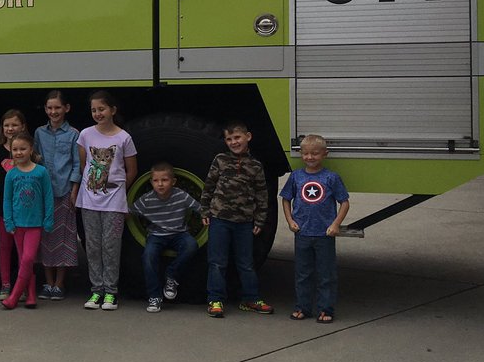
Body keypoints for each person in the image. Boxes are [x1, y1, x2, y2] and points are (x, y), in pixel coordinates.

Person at [201, 121, 272, 318]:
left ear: (248, 137)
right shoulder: (220, 160)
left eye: (237, 137)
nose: (234, 142)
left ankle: (250, 298)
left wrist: (260, 220)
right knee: (217, 262)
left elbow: (261, 194)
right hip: (219, 219)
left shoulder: (256, 165)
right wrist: (205, 211)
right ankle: (215, 300)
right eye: (229, 139)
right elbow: (209, 186)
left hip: (245, 222)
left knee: (246, 263)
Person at [77, 90, 137, 311]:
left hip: (114, 202)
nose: (97, 113)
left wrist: (117, 191)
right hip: (89, 201)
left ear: (112, 110)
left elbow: (131, 170)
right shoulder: (85, 135)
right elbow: (84, 165)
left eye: (101, 109)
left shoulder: (124, 138)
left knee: (111, 246)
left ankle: (111, 293)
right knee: (92, 246)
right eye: (94, 110)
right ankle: (96, 291)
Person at [280, 134, 350, 324]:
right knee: (303, 274)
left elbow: (344, 202)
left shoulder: (331, 178)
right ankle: (302, 307)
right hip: (302, 234)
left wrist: (335, 224)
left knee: (326, 274)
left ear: (324, 154)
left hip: (324, 235)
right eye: (306, 153)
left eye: (315, 154)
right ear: (301, 154)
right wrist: (290, 221)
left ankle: (325, 309)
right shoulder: (296, 177)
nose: (310, 157)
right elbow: (286, 199)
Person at [131, 162, 202, 312]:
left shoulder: (181, 195)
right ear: (151, 182)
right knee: (148, 256)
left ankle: (172, 274)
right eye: (156, 181)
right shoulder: (147, 199)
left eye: (164, 180)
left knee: (191, 245)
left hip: (179, 234)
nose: (160, 184)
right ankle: (155, 296)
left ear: (173, 181)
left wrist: (207, 216)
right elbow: (130, 212)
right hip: (156, 235)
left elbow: (199, 208)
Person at [34, 90, 81, 300]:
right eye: (50, 108)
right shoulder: (39, 133)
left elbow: (77, 164)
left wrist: (74, 190)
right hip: (44, 193)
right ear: (45, 109)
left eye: (57, 107)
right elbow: (33, 159)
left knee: (64, 238)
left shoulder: (73, 134)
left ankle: (60, 283)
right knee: (45, 237)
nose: (54, 112)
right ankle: (48, 282)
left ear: (66, 108)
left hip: (64, 192)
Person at [0, 134, 54, 310]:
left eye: (22, 149)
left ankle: (14, 296)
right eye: (15, 149)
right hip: (17, 225)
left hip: (35, 225)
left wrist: (48, 219)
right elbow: (7, 200)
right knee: (25, 260)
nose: (18, 152)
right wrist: (8, 222)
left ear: (31, 149)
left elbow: (48, 196)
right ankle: (31, 295)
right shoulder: (11, 174)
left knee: (28, 258)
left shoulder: (41, 172)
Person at [0, 108, 27, 301]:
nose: (10, 129)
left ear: (23, 127)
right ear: (2, 129)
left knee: (23, 250)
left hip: (24, 210)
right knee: (5, 247)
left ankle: (22, 285)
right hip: (3, 210)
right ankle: (5, 284)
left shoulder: (27, 151)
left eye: (14, 125)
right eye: (7, 125)